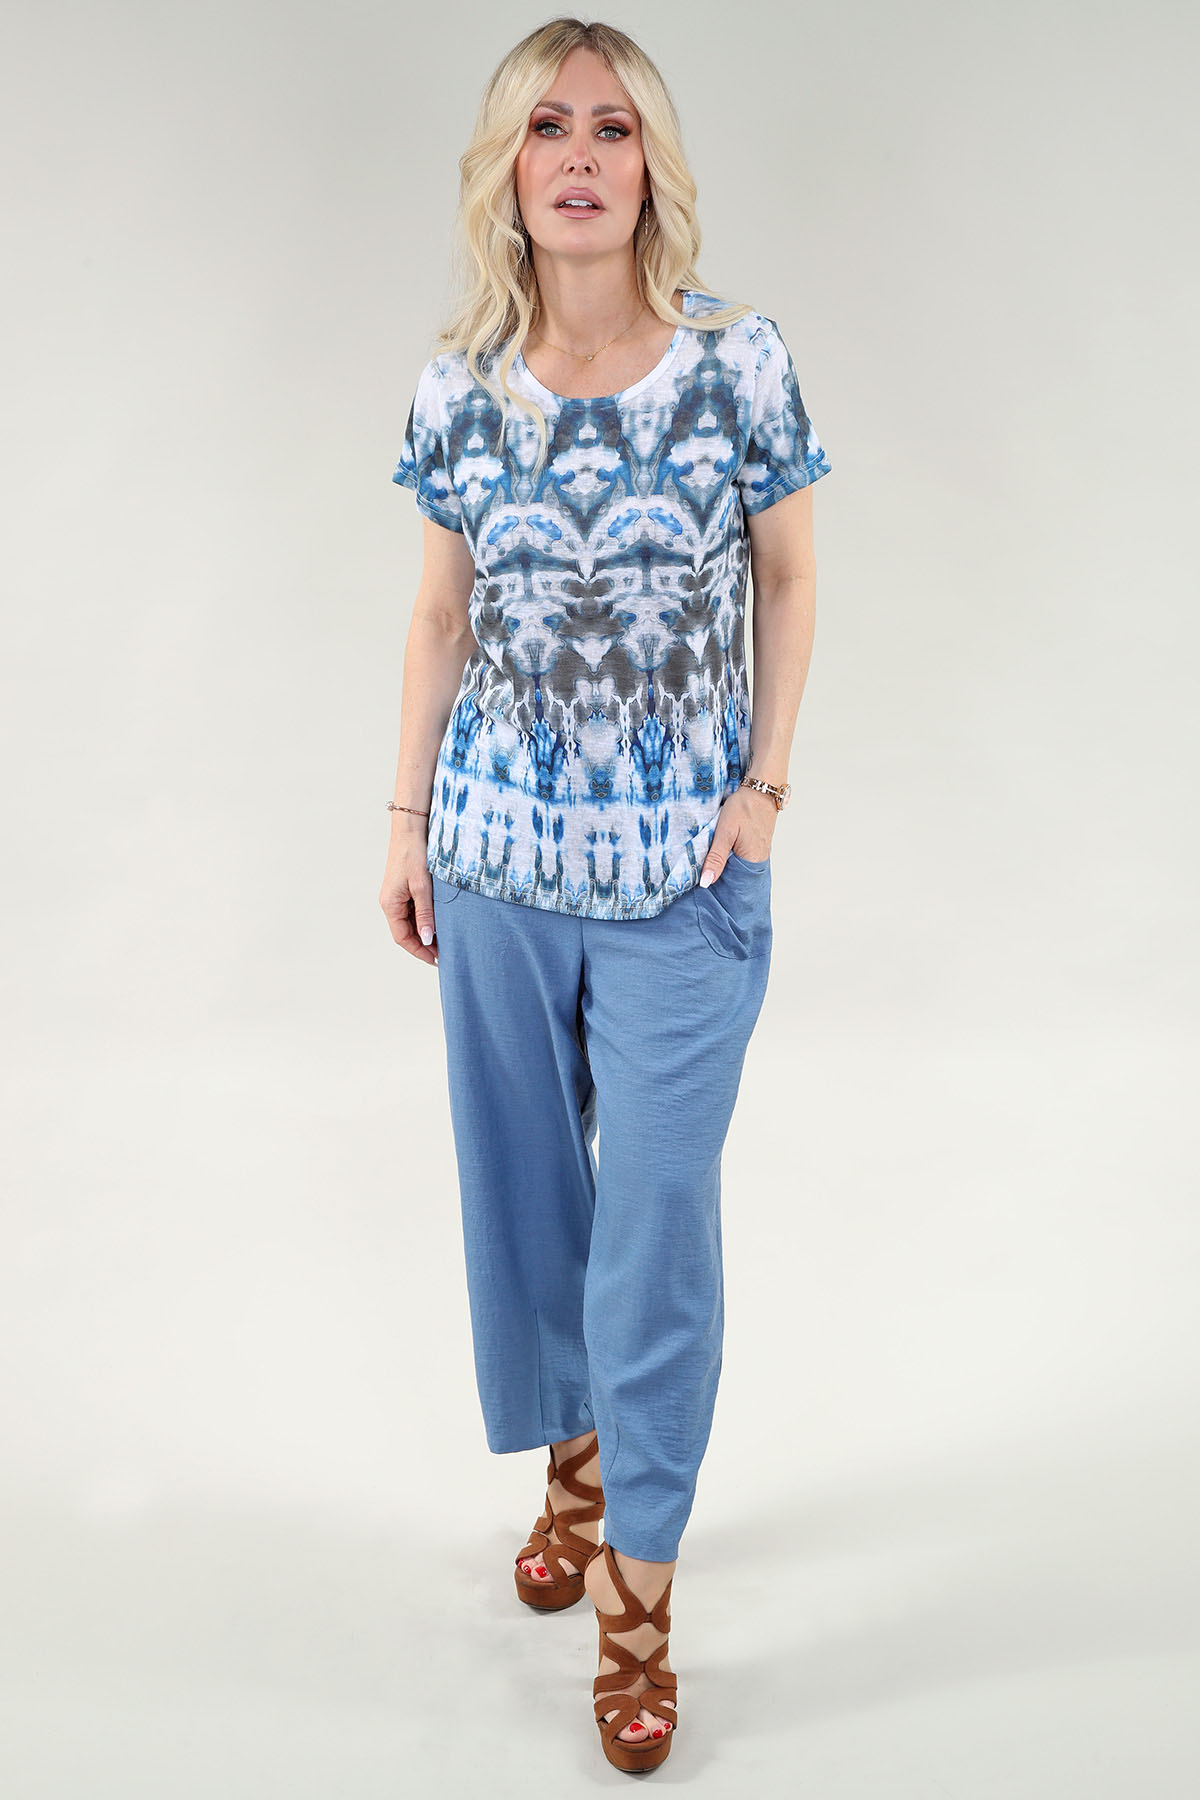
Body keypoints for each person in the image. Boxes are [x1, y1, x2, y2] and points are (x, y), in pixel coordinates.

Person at [379, 16, 830, 1774]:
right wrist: (406, 820)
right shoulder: (456, 390)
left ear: (653, 168)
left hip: (677, 882)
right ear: (507, 169)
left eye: (614, 128)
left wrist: (763, 792)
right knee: (527, 1204)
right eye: (549, 127)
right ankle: (574, 1462)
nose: (580, 156)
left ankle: (639, 1590)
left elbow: (787, 579)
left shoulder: (738, 364)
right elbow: (438, 615)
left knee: (651, 1232)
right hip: (495, 867)